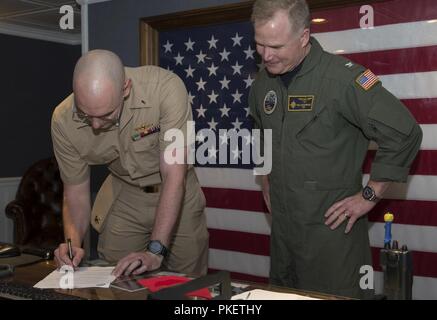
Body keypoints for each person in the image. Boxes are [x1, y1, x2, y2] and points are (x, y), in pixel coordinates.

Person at [249, 0, 422, 298]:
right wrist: (265, 176)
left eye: (275, 46)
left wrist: (370, 194)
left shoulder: (343, 79)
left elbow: (405, 132)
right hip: (283, 235)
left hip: (331, 236)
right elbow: (259, 128)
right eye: (259, 44)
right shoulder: (263, 81)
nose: (266, 55)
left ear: (303, 37)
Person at [51, 49, 209, 277]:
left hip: (177, 194)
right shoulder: (63, 120)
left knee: (187, 283)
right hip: (124, 196)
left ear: (125, 88)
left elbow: (174, 176)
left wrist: (155, 251)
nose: (95, 125)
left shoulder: (165, 89)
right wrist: (73, 243)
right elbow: (75, 192)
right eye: (86, 115)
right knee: (113, 278)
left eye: (106, 115)